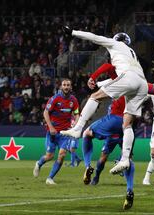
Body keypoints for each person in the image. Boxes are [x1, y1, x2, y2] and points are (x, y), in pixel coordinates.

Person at [60, 27, 147, 173]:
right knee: (127, 125)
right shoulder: (131, 54)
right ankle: (125, 159)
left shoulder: (115, 44)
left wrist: (73, 32)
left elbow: (93, 37)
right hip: (142, 83)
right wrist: (99, 83)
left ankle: (78, 128)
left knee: (95, 97)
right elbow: (116, 79)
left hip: (129, 78)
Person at [33, 79, 79, 185]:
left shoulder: (74, 100)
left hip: (65, 133)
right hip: (52, 132)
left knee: (62, 155)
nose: (66, 87)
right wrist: (51, 127)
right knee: (49, 156)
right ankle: (39, 164)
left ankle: (50, 178)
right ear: (61, 86)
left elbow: (76, 114)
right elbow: (46, 112)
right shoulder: (55, 98)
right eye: (64, 85)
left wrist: (75, 125)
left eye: (68, 85)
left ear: (71, 87)